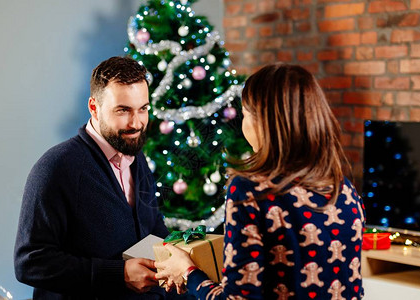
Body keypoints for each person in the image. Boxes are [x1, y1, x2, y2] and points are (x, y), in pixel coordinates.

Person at [155, 64, 365, 299]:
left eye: (245, 114)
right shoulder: (344, 188)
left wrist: (189, 272)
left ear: (263, 121)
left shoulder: (250, 191)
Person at [14, 56, 170, 299]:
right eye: (123, 110)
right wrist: (119, 274)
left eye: (143, 108)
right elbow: (30, 262)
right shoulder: (56, 167)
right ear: (94, 108)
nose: (137, 122)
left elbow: (153, 225)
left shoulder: (135, 155)